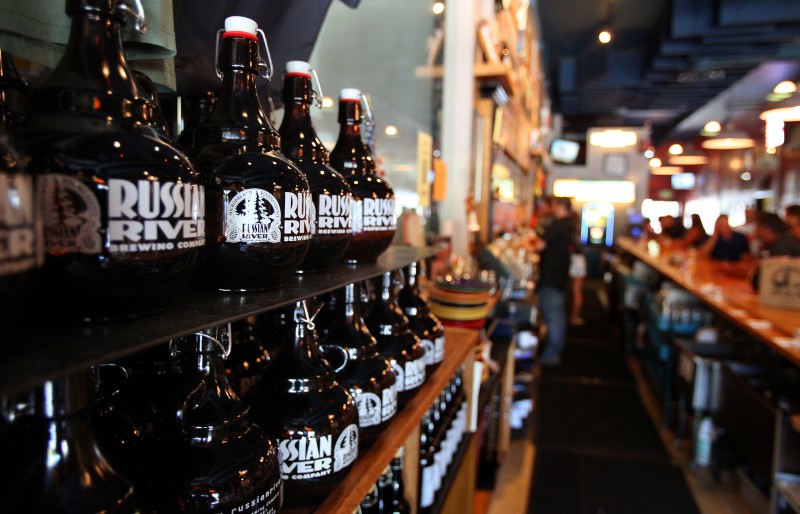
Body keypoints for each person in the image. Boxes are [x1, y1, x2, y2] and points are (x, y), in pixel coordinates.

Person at [528, 196, 573, 366]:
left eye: (554, 205)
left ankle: (551, 354)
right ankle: (551, 351)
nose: (552, 208)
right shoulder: (567, 224)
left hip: (553, 277)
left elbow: (539, 246)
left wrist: (525, 246)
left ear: (560, 206)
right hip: (558, 277)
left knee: (553, 316)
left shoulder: (560, 224)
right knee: (555, 314)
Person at [568, 210, 586, 326]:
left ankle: (575, 316)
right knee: (577, 291)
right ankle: (574, 316)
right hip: (578, 260)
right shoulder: (576, 231)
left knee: (576, 291)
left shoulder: (570, 232)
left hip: (576, 261)